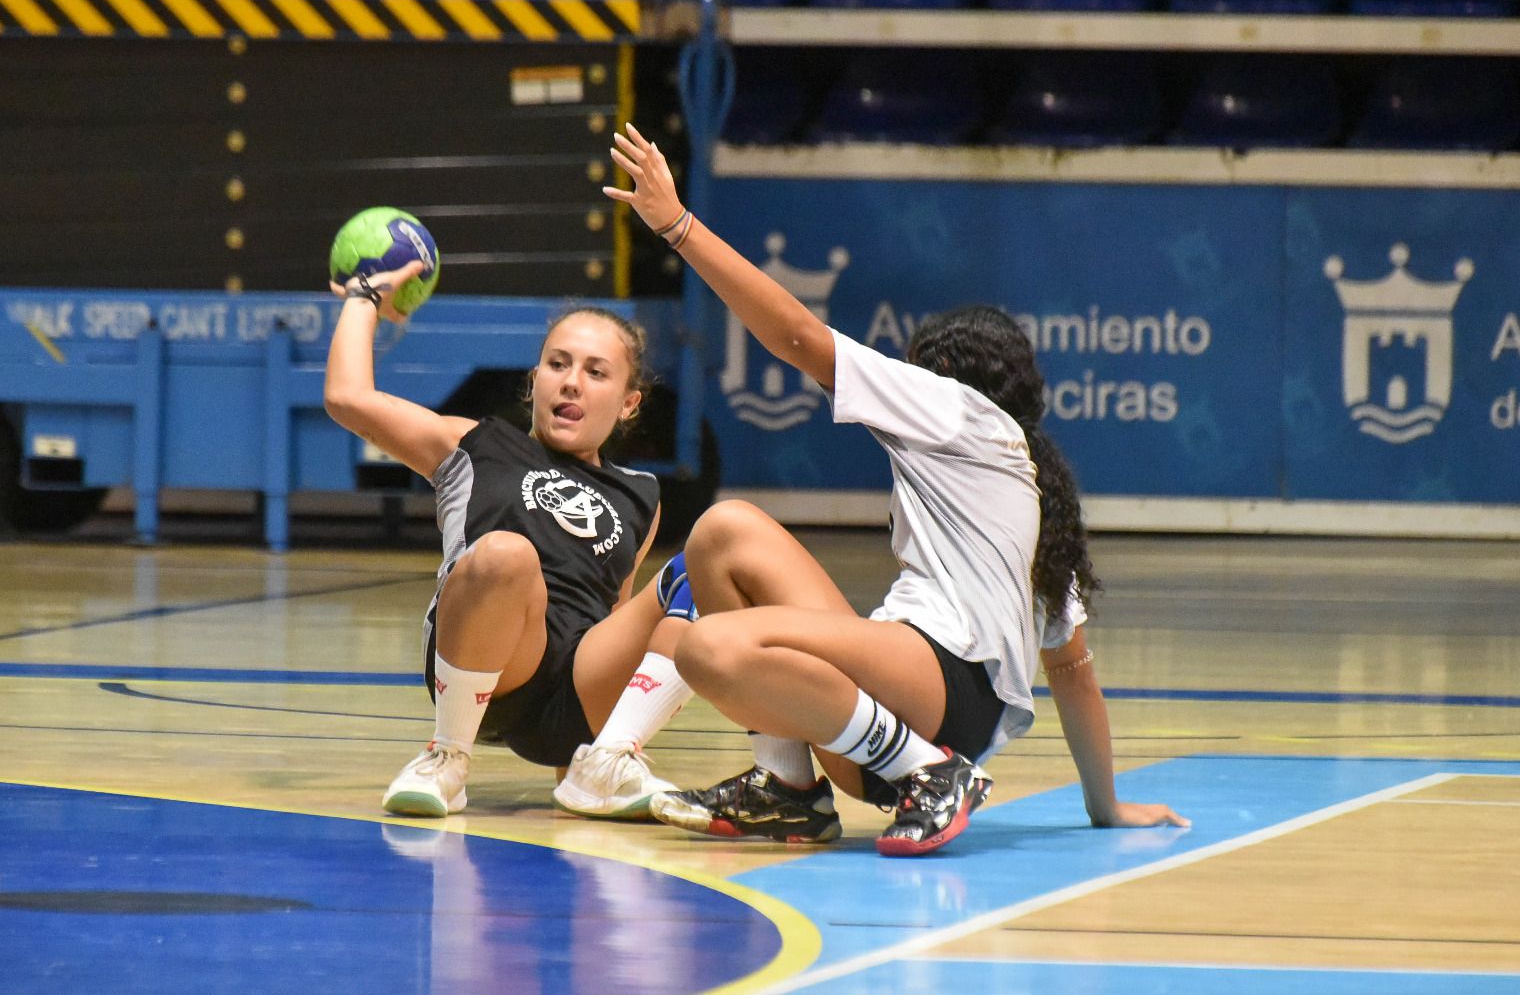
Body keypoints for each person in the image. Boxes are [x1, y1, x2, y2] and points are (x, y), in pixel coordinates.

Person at [604, 123, 1189, 855]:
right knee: (724, 535)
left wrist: (678, 226)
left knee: (710, 648)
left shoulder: (957, 411)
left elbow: (796, 337)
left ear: (947, 377)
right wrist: (1107, 807)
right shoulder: (1031, 491)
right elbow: (1072, 674)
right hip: (906, 708)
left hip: (936, 687)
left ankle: (932, 775)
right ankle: (788, 788)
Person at [324, 264, 695, 819]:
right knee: (506, 553)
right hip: (493, 666)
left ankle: (605, 760)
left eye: (597, 372)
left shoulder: (642, 494)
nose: (571, 381)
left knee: (706, 566)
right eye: (557, 364)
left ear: (628, 403)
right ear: (534, 381)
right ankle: (446, 757)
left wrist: (577, 752)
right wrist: (364, 298)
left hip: (578, 691)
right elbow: (347, 397)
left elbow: (616, 611)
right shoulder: (473, 445)